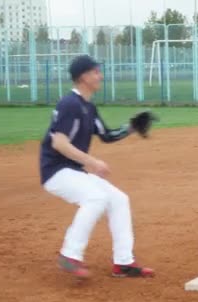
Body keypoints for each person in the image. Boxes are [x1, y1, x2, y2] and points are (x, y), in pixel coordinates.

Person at [39, 55, 154, 279]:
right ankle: (69, 255)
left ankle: (123, 263)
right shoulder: (69, 104)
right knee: (96, 198)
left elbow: (107, 135)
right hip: (56, 171)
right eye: (96, 72)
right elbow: (59, 143)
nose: (100, 76)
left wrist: (131, 127)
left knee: (119, 199)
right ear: (83, 76)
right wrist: (92, 162)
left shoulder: (88, 107)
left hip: (73, 171)